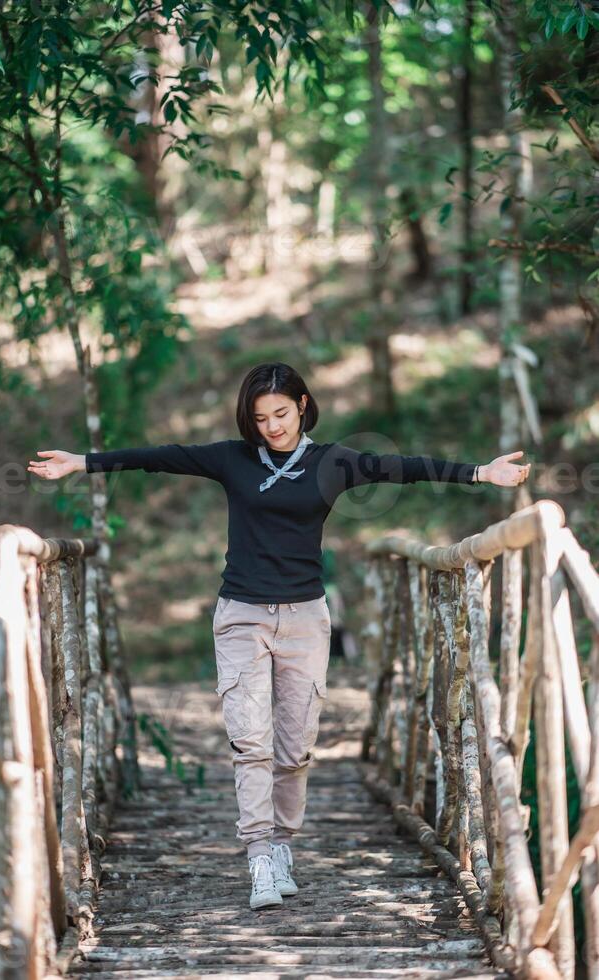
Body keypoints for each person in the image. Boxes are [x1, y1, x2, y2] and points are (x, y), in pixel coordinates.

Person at [27, 361, 530, 911]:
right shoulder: (232, 458)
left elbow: (403, 467)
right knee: (251, 742)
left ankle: (283, 844)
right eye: (261, 417)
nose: (272, 426)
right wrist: (83, 463)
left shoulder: (333, 462)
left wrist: (483, 473)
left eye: (282, 414)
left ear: (304, 405)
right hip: (241, 615)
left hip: (305, 620)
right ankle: (259, 857)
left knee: (294, 748)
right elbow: (160, 457)